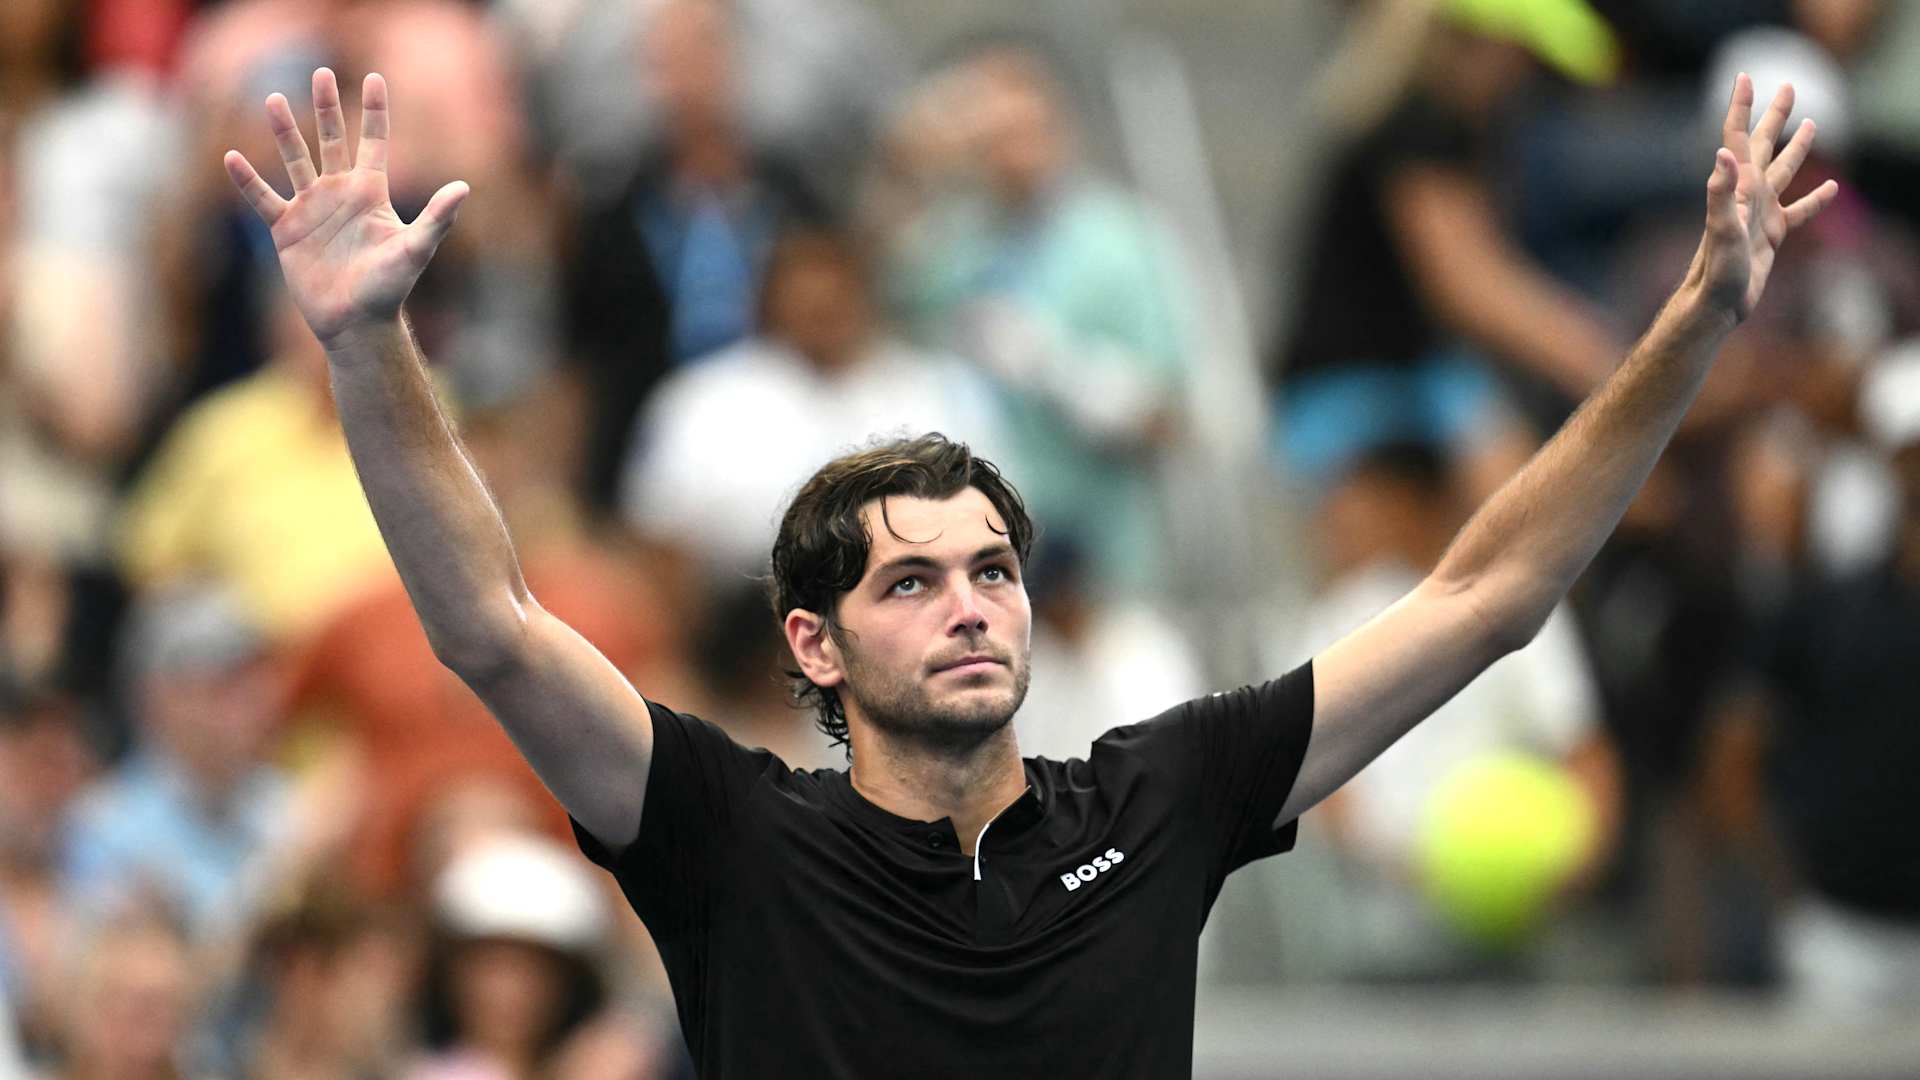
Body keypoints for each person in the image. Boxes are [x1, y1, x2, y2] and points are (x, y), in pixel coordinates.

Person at [221, 64, 1835, 1076]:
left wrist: (1693, 326)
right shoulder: (731, 836)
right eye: (910, 583)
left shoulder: (1164, 797)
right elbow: (494, 629)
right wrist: (368, 344)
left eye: (992, 569)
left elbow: (1487, 595)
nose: (972, 605)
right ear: (815, 644)